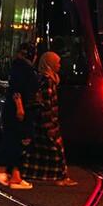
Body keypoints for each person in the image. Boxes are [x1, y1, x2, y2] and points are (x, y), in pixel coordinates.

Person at [22, 51, 77, 186]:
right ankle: (61, 177)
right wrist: (50, 123)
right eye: (57, 63)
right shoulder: (47, 81)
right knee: (56, 150)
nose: (59, 65)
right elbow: (46, 103)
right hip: (46, 122)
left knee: (40, 151)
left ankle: (33, 174)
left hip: (44, 121)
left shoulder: (46, 78)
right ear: (50, 64)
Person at [0, 42, 38, 190]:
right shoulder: (22, 68)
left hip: (18, 109)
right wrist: (20, 108)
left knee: (16, 140)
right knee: (16, 140)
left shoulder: (18, 66)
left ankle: (15, 175)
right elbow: (17, 90)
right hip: (18, 110)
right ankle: (3, 170)